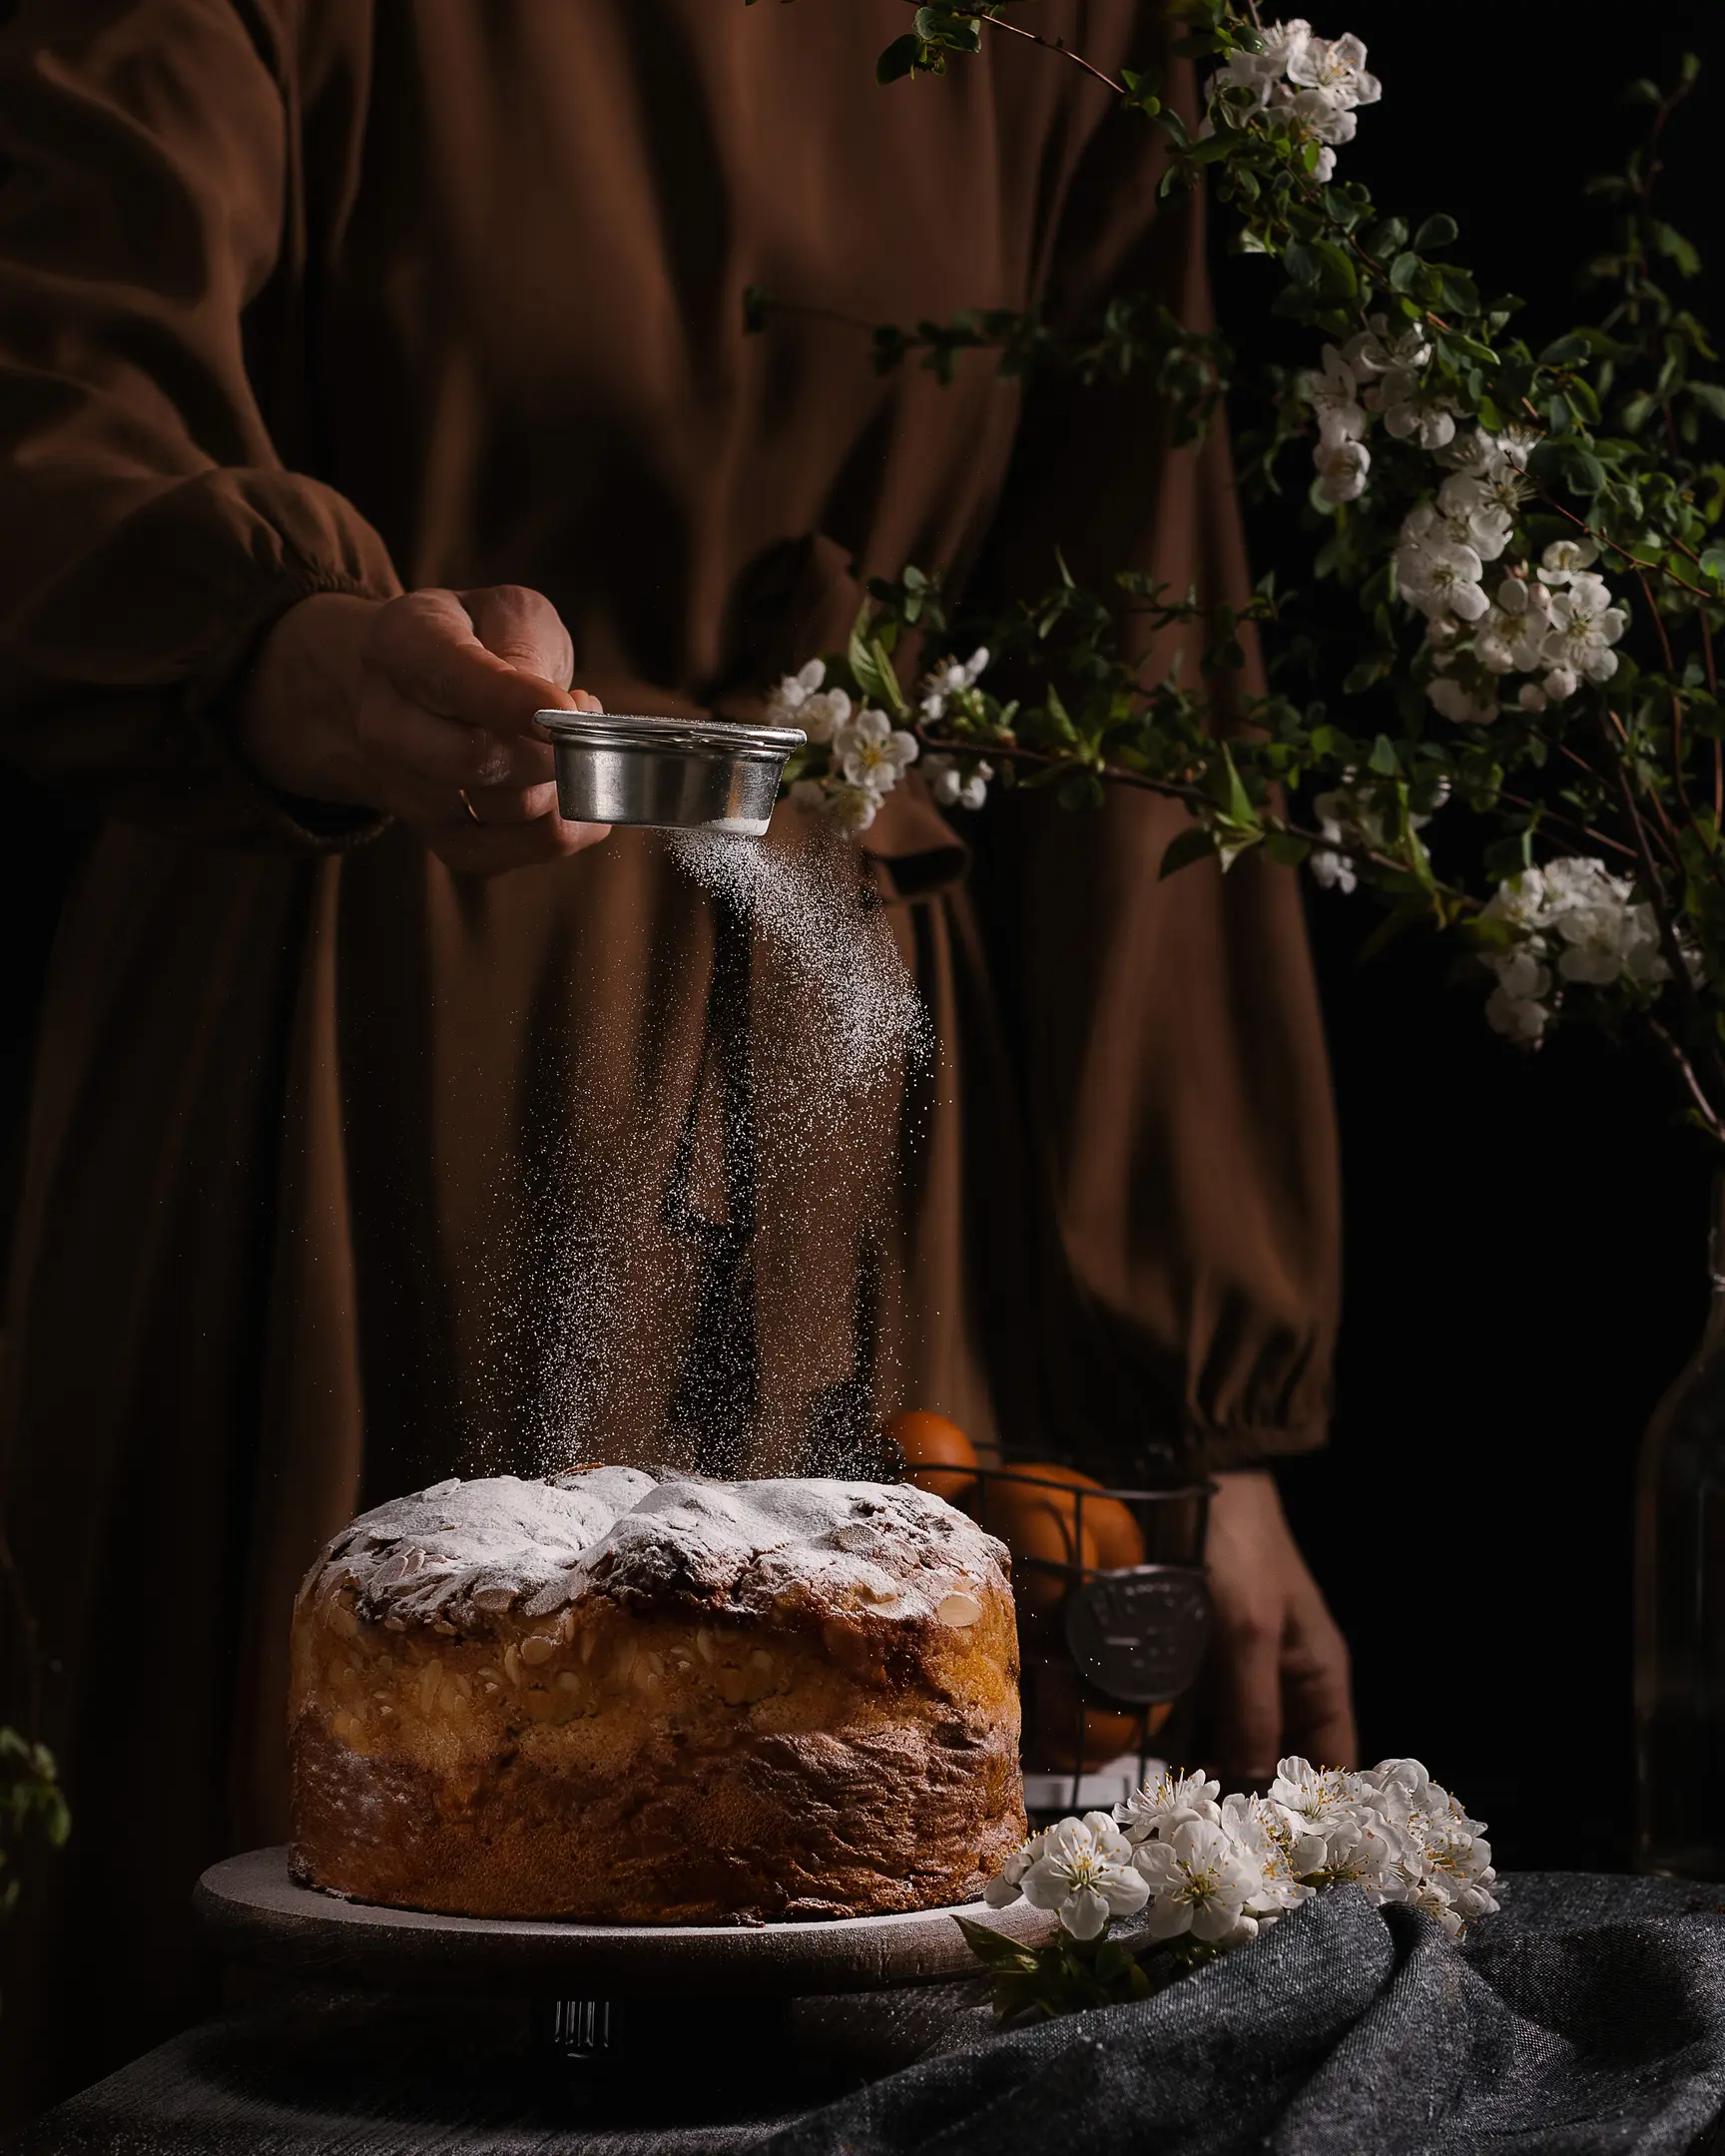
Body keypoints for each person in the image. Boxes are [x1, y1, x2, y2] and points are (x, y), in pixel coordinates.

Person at [0, 0, 1351, 2116]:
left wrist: (1208, 1421)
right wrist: (291, 653)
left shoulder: (1078, 29)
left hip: (865, 1099)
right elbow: (50, 372)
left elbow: (1146, 651)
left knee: (865, 1943)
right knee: (336, 1976)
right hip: (359, 1038)